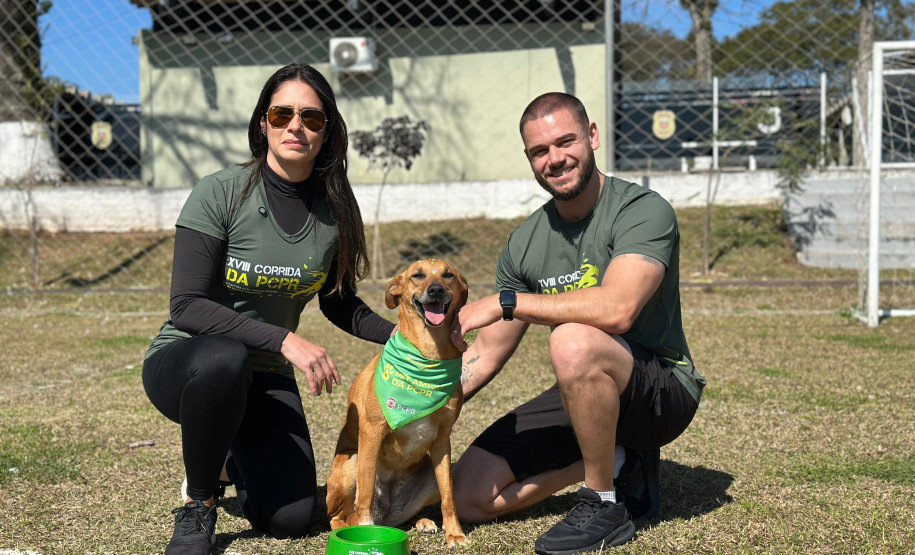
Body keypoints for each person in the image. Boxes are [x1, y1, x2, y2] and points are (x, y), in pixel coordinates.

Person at [142, 64, 396, 555]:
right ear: (263, 122)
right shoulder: (220, 191)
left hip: (264, 376)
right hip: (192, 363)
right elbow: (187, 305)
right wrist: (285, 340)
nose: (295, 126)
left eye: (312, 118)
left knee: (292, 517)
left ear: (328, 132)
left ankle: (228, 453)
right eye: (282, 114)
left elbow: (339, 301)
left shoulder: (335, 210)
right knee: (224, 359)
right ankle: (199, 502)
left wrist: (403, 337)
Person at [451, 92, 706, 554]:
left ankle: (603, 503)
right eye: (539, 151)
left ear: (592, 136)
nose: (555, 159)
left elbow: (618, 309)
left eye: (565, 142)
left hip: (662, 388)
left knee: (572, 340)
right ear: (529, 159)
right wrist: (415, 404)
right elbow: (485, 353)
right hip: (586, 386)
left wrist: (508, 301)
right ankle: (620, 460)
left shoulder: (643, 210)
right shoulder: (525, 242)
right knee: (467, 495)